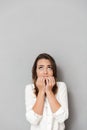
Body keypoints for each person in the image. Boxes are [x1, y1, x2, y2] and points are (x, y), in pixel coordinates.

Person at [25, 53, 69, 130]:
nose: (45, 72)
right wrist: (41, 91)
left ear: (53, 71)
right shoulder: (29, 89)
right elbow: (33, 120)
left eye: (49, 67)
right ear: (36, 71)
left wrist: (49, 91)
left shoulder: (61, 86)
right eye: (41, 68)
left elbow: (62, 118)